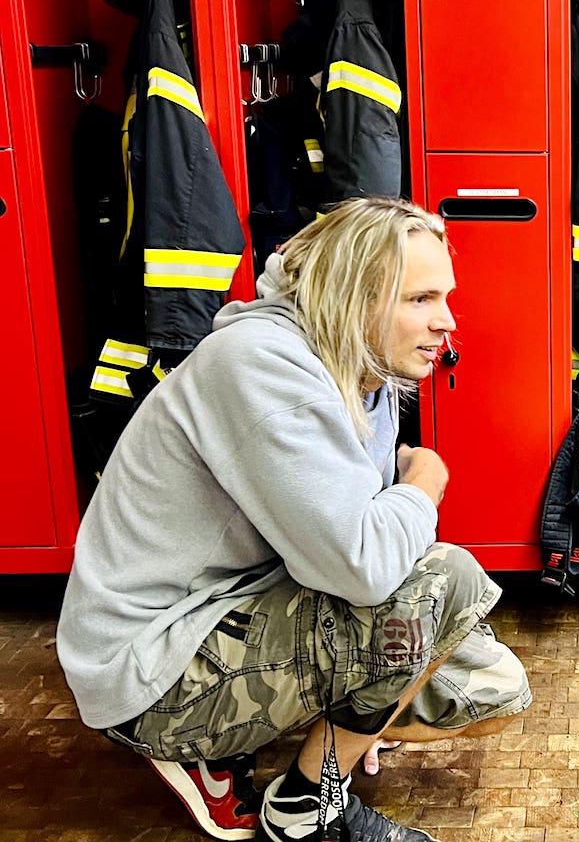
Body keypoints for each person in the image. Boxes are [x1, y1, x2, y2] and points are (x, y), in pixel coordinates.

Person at [56, 197, 532, 842]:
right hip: (153, 669)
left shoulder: (360, 366)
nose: (446, 322)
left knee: (494, 689)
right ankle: (305, 805)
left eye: (445, 297)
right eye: (419, 300)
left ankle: (312, 735)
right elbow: (365, 569)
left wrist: (365, 709)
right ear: (351, 297)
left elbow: (349, 514)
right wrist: (428, 481)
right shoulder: (261, 363)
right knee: (447, 579)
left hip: (244, 605)